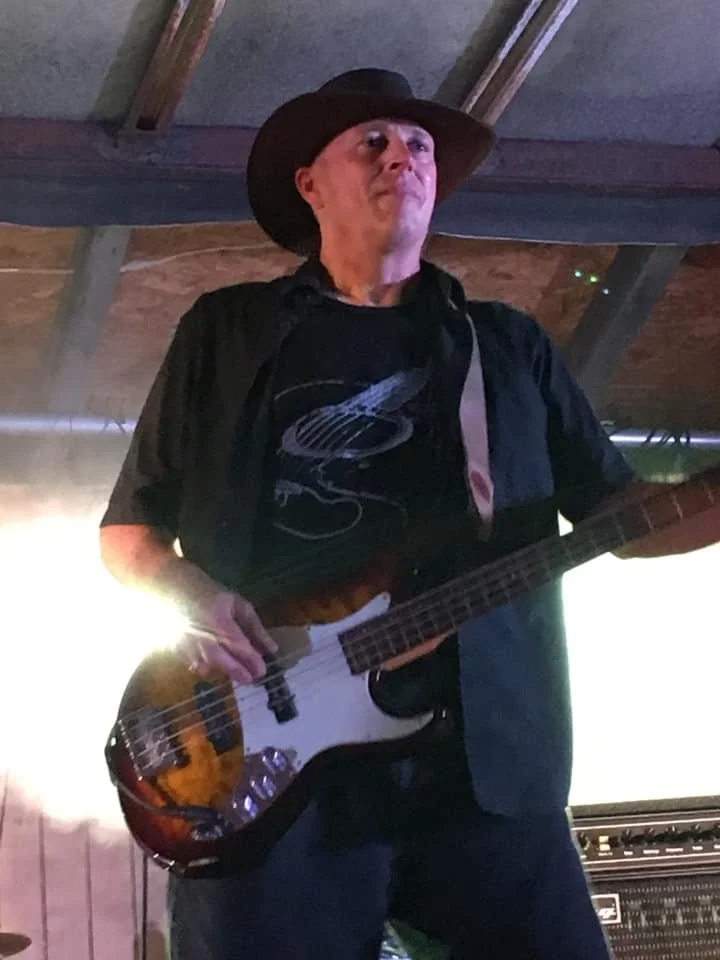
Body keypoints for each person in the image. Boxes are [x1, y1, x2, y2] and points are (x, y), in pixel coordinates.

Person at [99, 69, 720, 960]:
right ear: (310, 184)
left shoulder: (505, 345)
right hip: (273, 768)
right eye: (374, 142)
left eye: (420, 145)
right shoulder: (225, 333)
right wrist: (189, 593)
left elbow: (620, 517)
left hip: (485, 763)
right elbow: (129, 537)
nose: (405, 158)